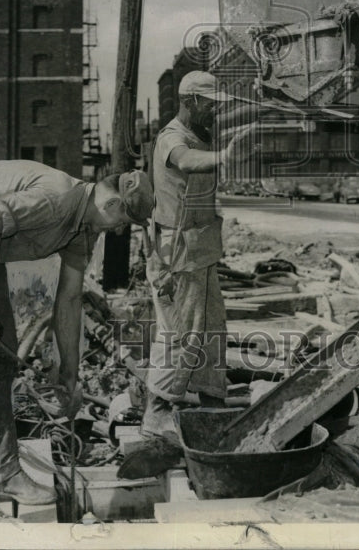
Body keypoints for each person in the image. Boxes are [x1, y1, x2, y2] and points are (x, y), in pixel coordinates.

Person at [0, 159, 153, 523]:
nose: (120, 231)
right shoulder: (55, 197)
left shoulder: (85, 229)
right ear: (112, 204)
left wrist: (70, 378)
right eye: (123, 222)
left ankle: (0, 472)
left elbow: (69, 299)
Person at [142, 71, 256, 440]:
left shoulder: (200, 135)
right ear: (190, 101)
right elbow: (188, 161)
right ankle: (156, 412)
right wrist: (224, 155)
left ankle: (212, 403)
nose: (216, 112)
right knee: (181, 333)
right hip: (178, 255)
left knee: (211, 330)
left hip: (200, 252)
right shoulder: (171, 137)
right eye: (210, 105)